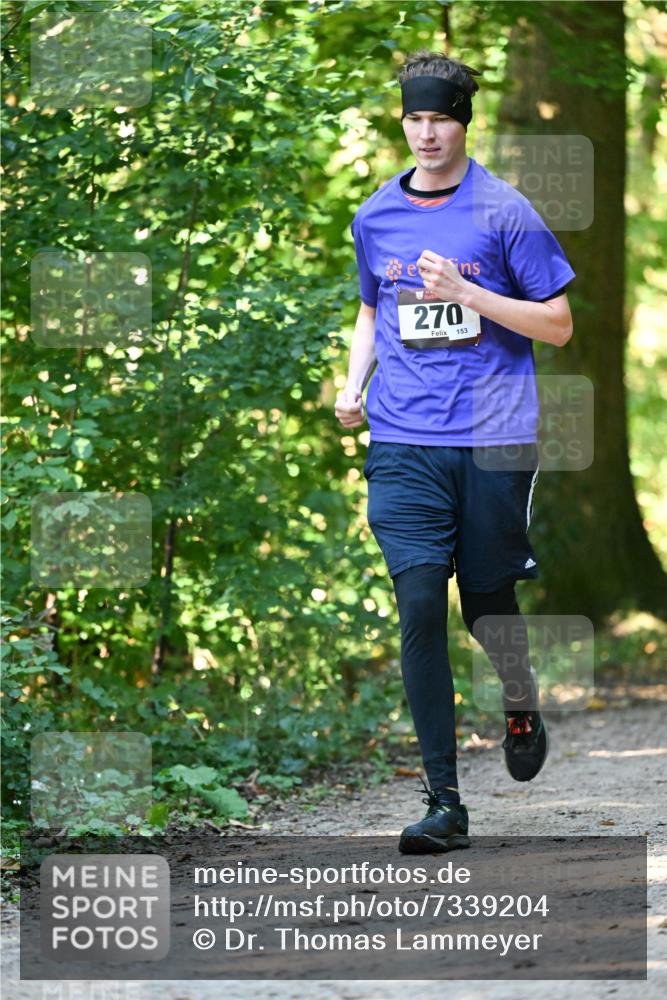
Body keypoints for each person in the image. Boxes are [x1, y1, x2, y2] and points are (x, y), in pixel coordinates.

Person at [335, 50, 576, 854]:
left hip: (493, 436)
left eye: (440, 118)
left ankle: (519, 696)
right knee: (414, 606)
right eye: (414, 118)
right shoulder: (375, 216)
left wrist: (469, 294)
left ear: (462, 122)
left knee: (485, 605)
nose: (427, 132)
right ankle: (444, 800)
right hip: (402, 438)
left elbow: (557, 323)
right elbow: (372, 311)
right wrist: (351, 384)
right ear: (401, 122)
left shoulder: (503, 212)